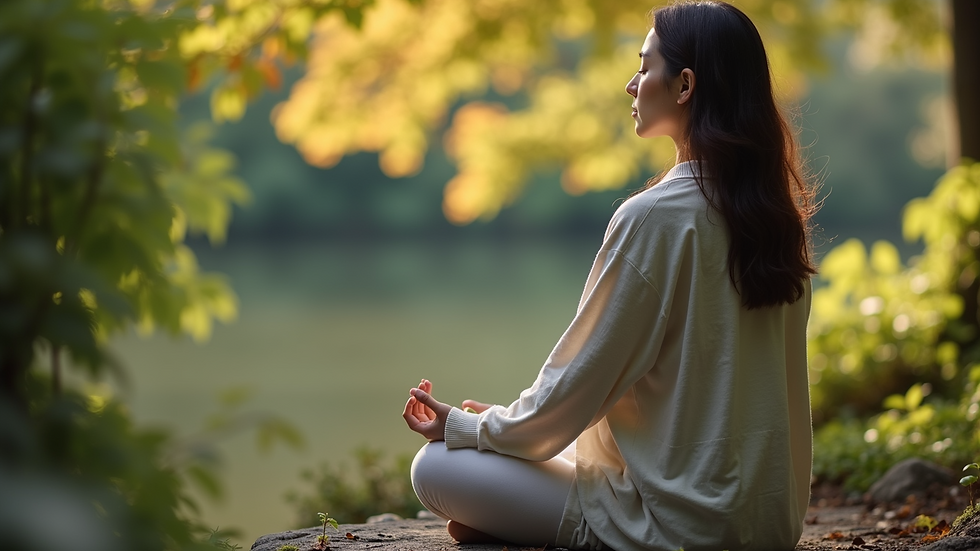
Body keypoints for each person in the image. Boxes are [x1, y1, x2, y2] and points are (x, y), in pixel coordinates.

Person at [401, 2, 817, 549]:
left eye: (645, 67)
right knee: (528, 443)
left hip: (679, 527)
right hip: (765, 523)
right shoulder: (776, 220)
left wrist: (470, 429)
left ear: (685, 84)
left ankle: (541, 522)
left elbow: (574, 389)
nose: (631, 83)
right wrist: (504, 426)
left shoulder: (654, 217)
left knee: (433, 467)